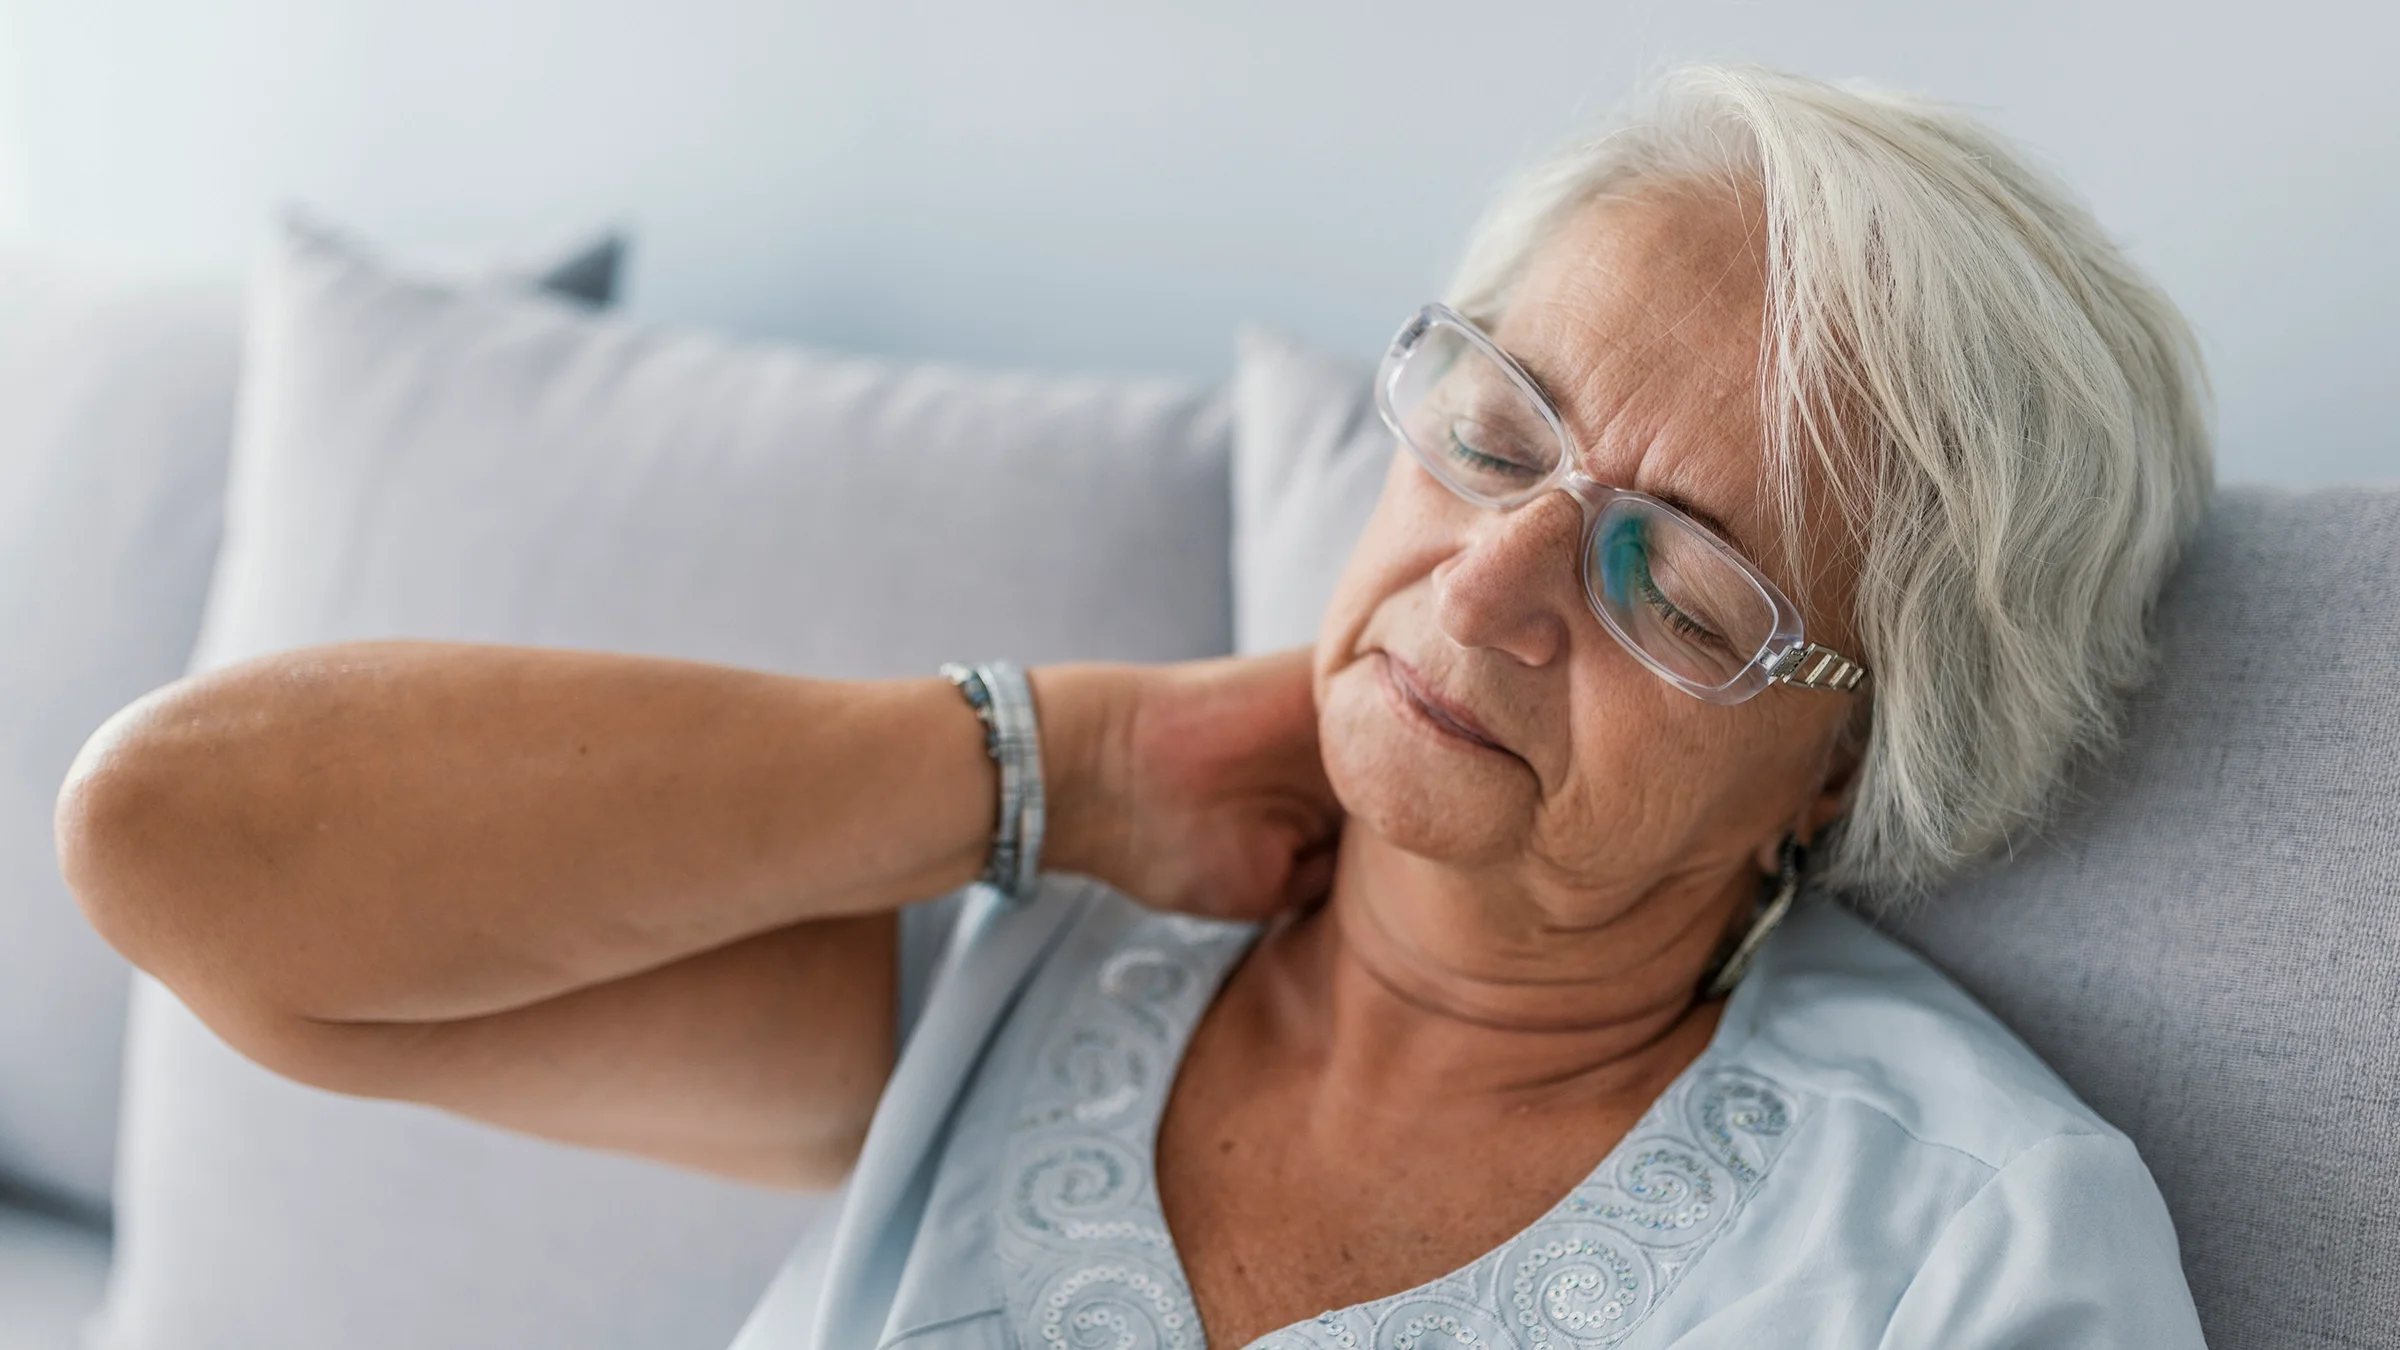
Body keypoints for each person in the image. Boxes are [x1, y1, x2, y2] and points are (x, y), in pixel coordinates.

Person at [59, 64, 2213, 1348]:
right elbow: (178, 843)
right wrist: (1060, 763)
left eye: (1689, 574)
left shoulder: (1966, 1237)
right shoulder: (1045, 957)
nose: (1495, 580)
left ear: (1844, 750)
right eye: (1494, 426)